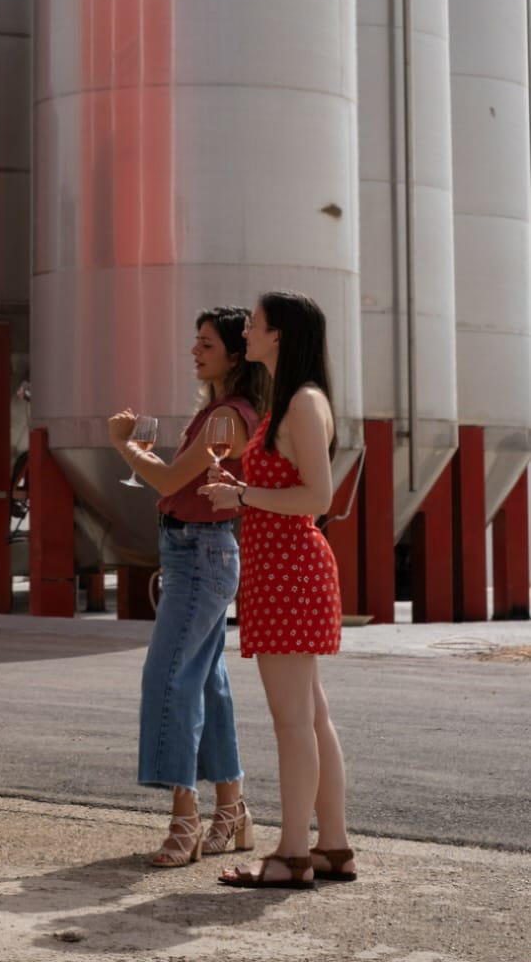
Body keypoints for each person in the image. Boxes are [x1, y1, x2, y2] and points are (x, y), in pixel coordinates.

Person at [204, 291, 356, 888]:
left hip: (290, 570)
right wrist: (242, 487)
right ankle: (332, 846)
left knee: (293, 719)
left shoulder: (301, 403)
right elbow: (293, 487)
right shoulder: (291, 400)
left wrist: (242, 495)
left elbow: (318, 499)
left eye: (257, 326)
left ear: (281, 337)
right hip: (281, 569)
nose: (247, 333)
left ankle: (293, 854)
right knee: (311, 716)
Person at [107, 306, 265, 869]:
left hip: (201, 552)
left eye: (205, 343)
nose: (194, 351)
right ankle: (233, 809)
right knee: (206, 684)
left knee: (169, 676)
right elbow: (182, 480)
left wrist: (124, 444)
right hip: (192, 550)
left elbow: (173, 480)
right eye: (194, 341)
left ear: (233, 354)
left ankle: (185, 822)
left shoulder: (228, 417)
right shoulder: (218, 412)